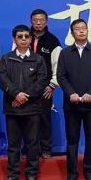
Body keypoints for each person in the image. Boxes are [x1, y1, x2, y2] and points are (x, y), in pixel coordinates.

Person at [57, 19, 91, 180]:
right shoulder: (65, 53)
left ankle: (90, 174)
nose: (81, 31)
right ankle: (72, 174)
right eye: (78, 29)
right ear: (72, 33)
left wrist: (90, 94)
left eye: (84, 28)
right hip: (72, 104)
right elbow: (61, 76)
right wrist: (71, 93)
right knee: (72, 140)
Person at [0, 25, 49, 180]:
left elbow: (41, 81)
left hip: (32, 108)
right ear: (14, 39)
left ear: (30, 39)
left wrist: (24, 96)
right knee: (13, 145)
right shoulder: (6, 58)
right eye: (19, 36)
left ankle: (31, 175)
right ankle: (13, 175)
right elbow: (3, 81)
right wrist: (16, 94)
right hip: (12, 108)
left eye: (26, 36)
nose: (23, 39)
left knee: (32, 144)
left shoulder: (38, 59)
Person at [28, 9, 62, 157]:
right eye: (35, 20)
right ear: (31, 21)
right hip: (26, 86)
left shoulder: (52, 41)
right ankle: (29, 149)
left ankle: (46, 149)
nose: (38, 23)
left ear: (46, 21)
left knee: (44, 118)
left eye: (41, 20)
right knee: (27, 119)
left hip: (45, 87)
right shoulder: (23, 36)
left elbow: (58, 65)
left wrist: (52, 85)